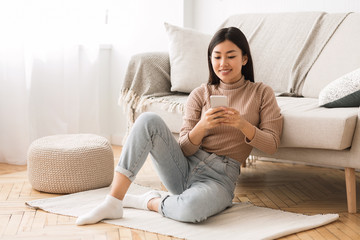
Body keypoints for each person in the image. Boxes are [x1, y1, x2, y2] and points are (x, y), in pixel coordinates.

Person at [76, 27, 283, 225]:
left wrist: (242, 125)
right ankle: (113, 201)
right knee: (148, 121)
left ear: (244, 58)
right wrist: (202, 127)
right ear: (210, 60)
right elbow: (184, 148)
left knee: (190, 210)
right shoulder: (200, 94)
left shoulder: (262, 93)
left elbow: (272, 144)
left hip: (220, 178)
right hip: (183, 166)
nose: (223, 63)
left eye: (231, 56)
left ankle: (148, 201)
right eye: (217, 56)